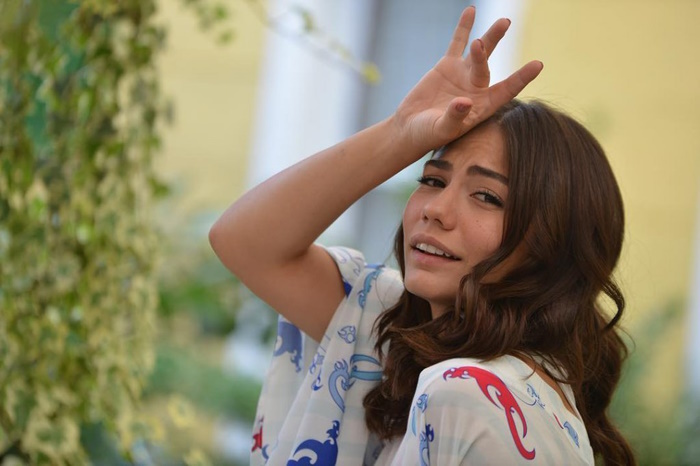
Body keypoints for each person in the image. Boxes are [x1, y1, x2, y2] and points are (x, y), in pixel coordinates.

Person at [210, 6, 635, 465]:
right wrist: (401, 131)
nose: (435, 209)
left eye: (487, 196)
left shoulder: (470, 394)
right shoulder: (396, 337)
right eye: (432, 179)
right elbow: (245, 243)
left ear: (554, 242)